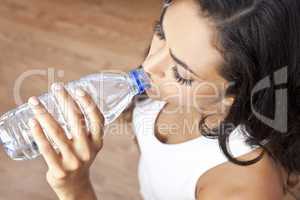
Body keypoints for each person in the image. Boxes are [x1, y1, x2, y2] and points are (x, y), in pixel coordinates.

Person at [26, 0, 300, 199]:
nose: (149, 65)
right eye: (161, 32)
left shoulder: (244, 188)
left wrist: (76, 189)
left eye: (181, 74)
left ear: (236, 95)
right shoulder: (164, 81)